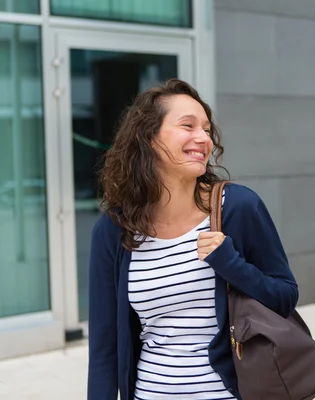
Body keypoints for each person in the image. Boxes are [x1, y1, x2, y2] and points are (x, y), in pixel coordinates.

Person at [87, 79, 299, 400]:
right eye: (188, 126)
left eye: (206, 129)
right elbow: (105, 345)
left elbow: (284, 297)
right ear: (147, 138)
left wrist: (231, 263)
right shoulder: (115, 229)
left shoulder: (238, 207)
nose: (203, 138)